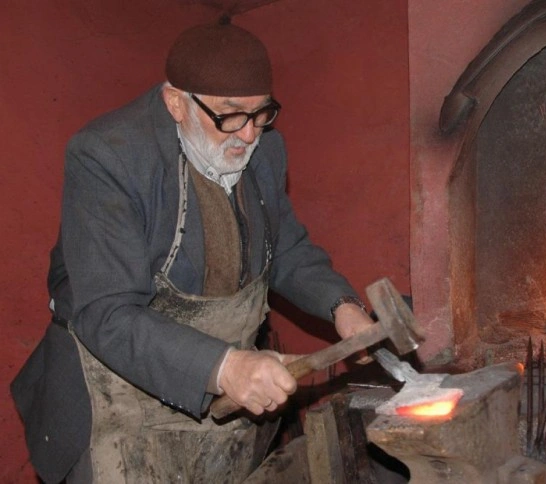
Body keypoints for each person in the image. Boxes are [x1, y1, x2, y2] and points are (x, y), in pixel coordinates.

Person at [11, 14, 374, 483]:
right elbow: (107, 314)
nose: (248, 135)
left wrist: (341, 307)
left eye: (261, 113)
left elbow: (283, 250)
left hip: (222, 405)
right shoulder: (107, 158)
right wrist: (224, 367)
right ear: (176, 103)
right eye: (229, 115)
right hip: (117, 406)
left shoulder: (264, 148)